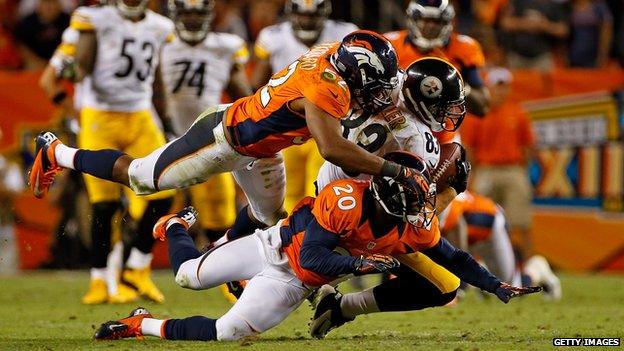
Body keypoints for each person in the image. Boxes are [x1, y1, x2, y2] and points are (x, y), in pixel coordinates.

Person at [30, 30, 430, 245]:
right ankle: (57, 152)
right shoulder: (325, 84)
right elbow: (331, 147)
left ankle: (223, 258)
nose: (378, 91)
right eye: (373, 83)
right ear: (351, 72)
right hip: (225, 139)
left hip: (264, 149)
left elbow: (351, 106)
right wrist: (393, 168)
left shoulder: (335, 56)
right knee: (139, 178)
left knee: (267, 217)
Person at [92, 152, 540, 342]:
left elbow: (453, 257)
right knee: (186, 276)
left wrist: (494, 283)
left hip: (294, 285)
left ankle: (142, 326)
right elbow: (311, 255)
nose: (412, 215)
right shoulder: (344, 199)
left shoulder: (412, 224)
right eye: (404, 206)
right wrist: (363, 261)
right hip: (274, 247)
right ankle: (175, 226)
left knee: (226, 333)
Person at [42, 0, 178, 304]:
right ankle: (100, 279)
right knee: (103, 204)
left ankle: (137, 268)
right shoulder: (93, 19)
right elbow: (71, 72)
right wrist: (69, 100)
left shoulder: (160, 26)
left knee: (165, 187)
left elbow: (156, 80)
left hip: (141, 115)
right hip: (100, 115)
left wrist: (167, 119)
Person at [316, 57, 469, 213]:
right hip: (351, 208)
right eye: (442, 108)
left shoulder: (391, 79)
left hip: (328, 175)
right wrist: (453, 190)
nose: (447, 114)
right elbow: (414, 216)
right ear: (426, 104)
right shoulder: (419, 142)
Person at [252, 0, 358, 213]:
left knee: (317, 190)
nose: (307, 20)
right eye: (302, 14)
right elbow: (258, 86)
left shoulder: (346, 34)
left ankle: (306, 237)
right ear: (292, 12)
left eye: (312, 15)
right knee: (288, 194)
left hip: (327, 127)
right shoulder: (273, 37)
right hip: (288, 128)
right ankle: (290, 240)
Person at [162, 0, 251, 247]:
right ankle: (129, 273)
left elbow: (243, 97)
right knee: (151, 211)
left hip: (208, 141)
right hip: (163, 136)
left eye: (198, 12)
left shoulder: (225, 46)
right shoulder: (161, 41)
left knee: (219, 221)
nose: (192, 18)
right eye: (187, 12)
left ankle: (226, 280)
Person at [384, 0, 490, 145]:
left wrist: (454, 86)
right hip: (396, 133)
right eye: (426, 20)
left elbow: (482, 107)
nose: (431, 26)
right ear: (412, 19)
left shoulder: (464, 47)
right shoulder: (389, 45)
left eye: (437, 21)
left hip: (443, 138)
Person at [460, 67, 535, 259]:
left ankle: (530, 266)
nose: (501, 91)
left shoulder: (517, 113)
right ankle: (475, 266)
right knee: (477, 221)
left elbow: (528, 146)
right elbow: (470, 150)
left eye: (505, 87)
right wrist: (473, 173)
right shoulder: (478, 114)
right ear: (488, 88)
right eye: (497, 87)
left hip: (513, 170)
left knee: (521, 223)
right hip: (486, 170)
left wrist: (521, 169)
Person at [439, 190, 561, 300]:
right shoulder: (433, 194)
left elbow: (459, 230)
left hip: (491, 228)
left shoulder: (443, 202)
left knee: (511, 288)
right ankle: (482, 274)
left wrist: (461, 281)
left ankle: (537, 268)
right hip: (471, 234)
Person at [500, 0, 569, 72]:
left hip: (542, 57)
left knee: (546, 82)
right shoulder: (517, 2)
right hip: (517, 57)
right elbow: (505, 23)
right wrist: (525, 24)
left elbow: (563, 30)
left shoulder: (553, 5)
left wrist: (545, 25)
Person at [14, 0, 70, 69]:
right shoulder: (28, 23)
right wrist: (36, 61)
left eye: (52, 4)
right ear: (39, 6)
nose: (49, 8)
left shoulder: (67, 21)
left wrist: (55, 63)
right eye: (46, 4)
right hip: (35, 62)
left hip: (61, 61)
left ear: (59, 6)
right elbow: (21, 46)